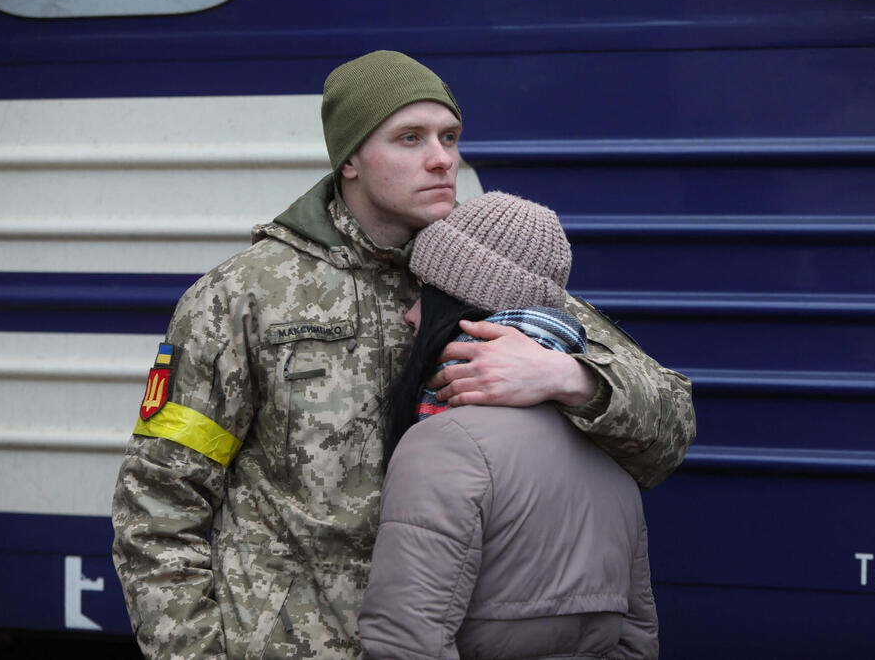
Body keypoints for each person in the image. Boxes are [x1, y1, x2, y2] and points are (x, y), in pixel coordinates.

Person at [112, 50, 693, 659]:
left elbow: (671, 428)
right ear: (351, 160)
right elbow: (158, 506)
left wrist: (570, 377)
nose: (441, 158)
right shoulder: (244, 297)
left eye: (450, 136)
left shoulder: (489, 272)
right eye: (409, 138)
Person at [358, 191, 658, 659]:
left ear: (457, 309)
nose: (409, 314)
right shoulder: (605, 439)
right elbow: (636, 638)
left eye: (423, 294)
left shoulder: (443, 443)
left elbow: (405, 642)